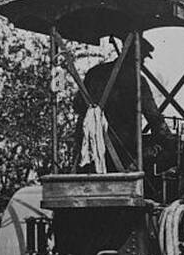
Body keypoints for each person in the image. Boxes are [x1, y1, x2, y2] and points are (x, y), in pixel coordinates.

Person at [73, 36, 170, 172]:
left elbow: (77, 105)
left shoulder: (94, 72)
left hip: (89, 148)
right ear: (136, 56)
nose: (142, 63)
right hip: (122, 150)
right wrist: (167, 137)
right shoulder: (137, 80)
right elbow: (153, 116)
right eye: (142, 59)